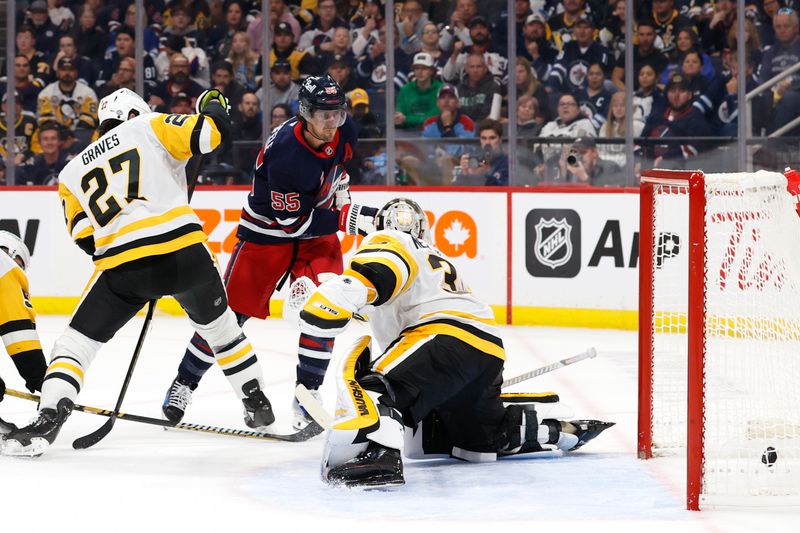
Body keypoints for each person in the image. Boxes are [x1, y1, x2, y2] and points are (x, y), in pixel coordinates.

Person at [0, 88, 275, 457]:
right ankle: (255, 400)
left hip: (124, 266)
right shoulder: (147, 125)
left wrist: (131, 257)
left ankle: (49, 416)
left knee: (75, 346)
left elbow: (86, 238)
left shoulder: (70, 172)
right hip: (185, 253)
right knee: (221, 330)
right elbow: (210, 134)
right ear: (134, 113)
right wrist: (212, 102)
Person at [296, 198, 614, 487]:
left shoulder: (390, 240)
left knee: (373, 386)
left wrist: (333, 300)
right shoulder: (432, 257)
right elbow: (386, 306)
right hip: (485, 348)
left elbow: (378, 273)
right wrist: (338, 294)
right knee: (474, 442)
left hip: (442, 337)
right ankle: (559, 432)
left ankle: (380, 456)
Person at [161, 75, 371, 430]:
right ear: (305, 113)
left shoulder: (342, 129)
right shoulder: (288, 154)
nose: (332, 123)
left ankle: (307, 397)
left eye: (337, 114)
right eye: (324, 115)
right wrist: (347, 219)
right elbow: (292, 224)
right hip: (267, 234)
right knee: (227, 320)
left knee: (327, 308)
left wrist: (344, 200)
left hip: (314, 232)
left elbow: (339, 174)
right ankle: (184, 382)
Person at [0, 231, 47, 435]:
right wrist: (40, 377)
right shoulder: (5, 265)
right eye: (20, 263)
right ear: (10, 253)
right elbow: (18, 330)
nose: (19, 270)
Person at [455, 118, 508, 186]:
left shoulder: (508, 163)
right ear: (480, 140)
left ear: (500, 140)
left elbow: (506, 190)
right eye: (484, 138)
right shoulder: (475, 159)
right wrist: (464, 173)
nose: (487, 142)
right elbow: (458, 192)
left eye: (492, 138)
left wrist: (484, 176)